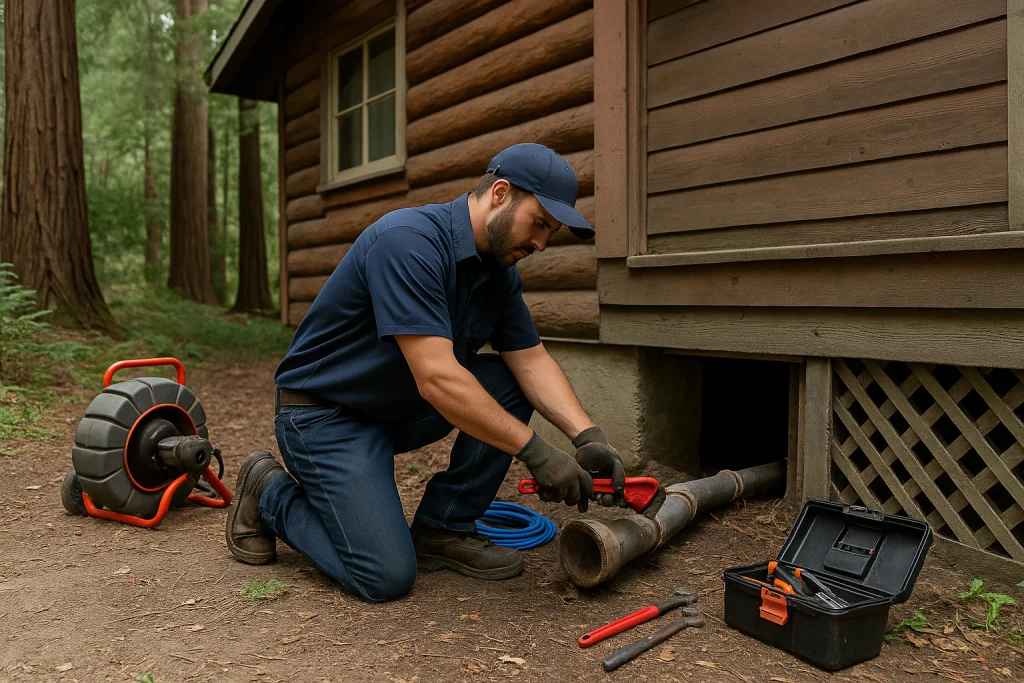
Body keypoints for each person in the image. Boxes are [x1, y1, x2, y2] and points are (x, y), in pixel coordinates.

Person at [225, 143, 626, 603]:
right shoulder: (409, 241)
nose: (540, 244)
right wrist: (535, 451)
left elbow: (530, 360)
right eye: (538, 224)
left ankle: (443, 527)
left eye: (549, 232)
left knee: (507, 378)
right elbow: (436, 378)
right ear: (499, 193)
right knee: (385, 576)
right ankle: (267, 489)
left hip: (394, 408)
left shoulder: (498, 270)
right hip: (324, 418)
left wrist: (588, 437)